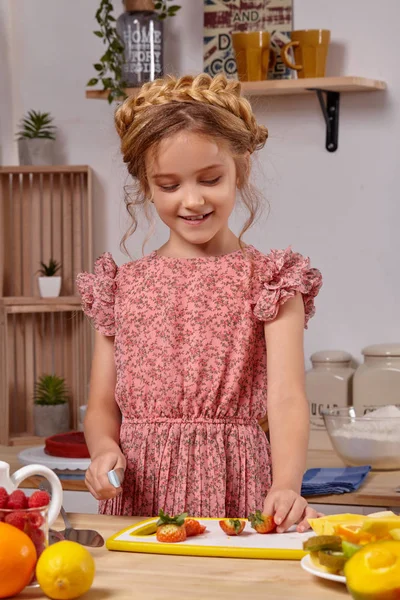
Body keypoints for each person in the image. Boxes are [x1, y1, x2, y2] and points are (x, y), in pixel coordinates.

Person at [77, 73, 323, 533]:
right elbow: (100, 405)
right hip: (140, 494)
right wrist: (103, 450)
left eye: (210, 179)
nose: (192, 200)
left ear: (241, 167)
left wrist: (287, 482)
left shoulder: (270, 280)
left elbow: (288, 398)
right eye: (168, 185)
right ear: (146, 186)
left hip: (239, 483)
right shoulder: (122, 286)